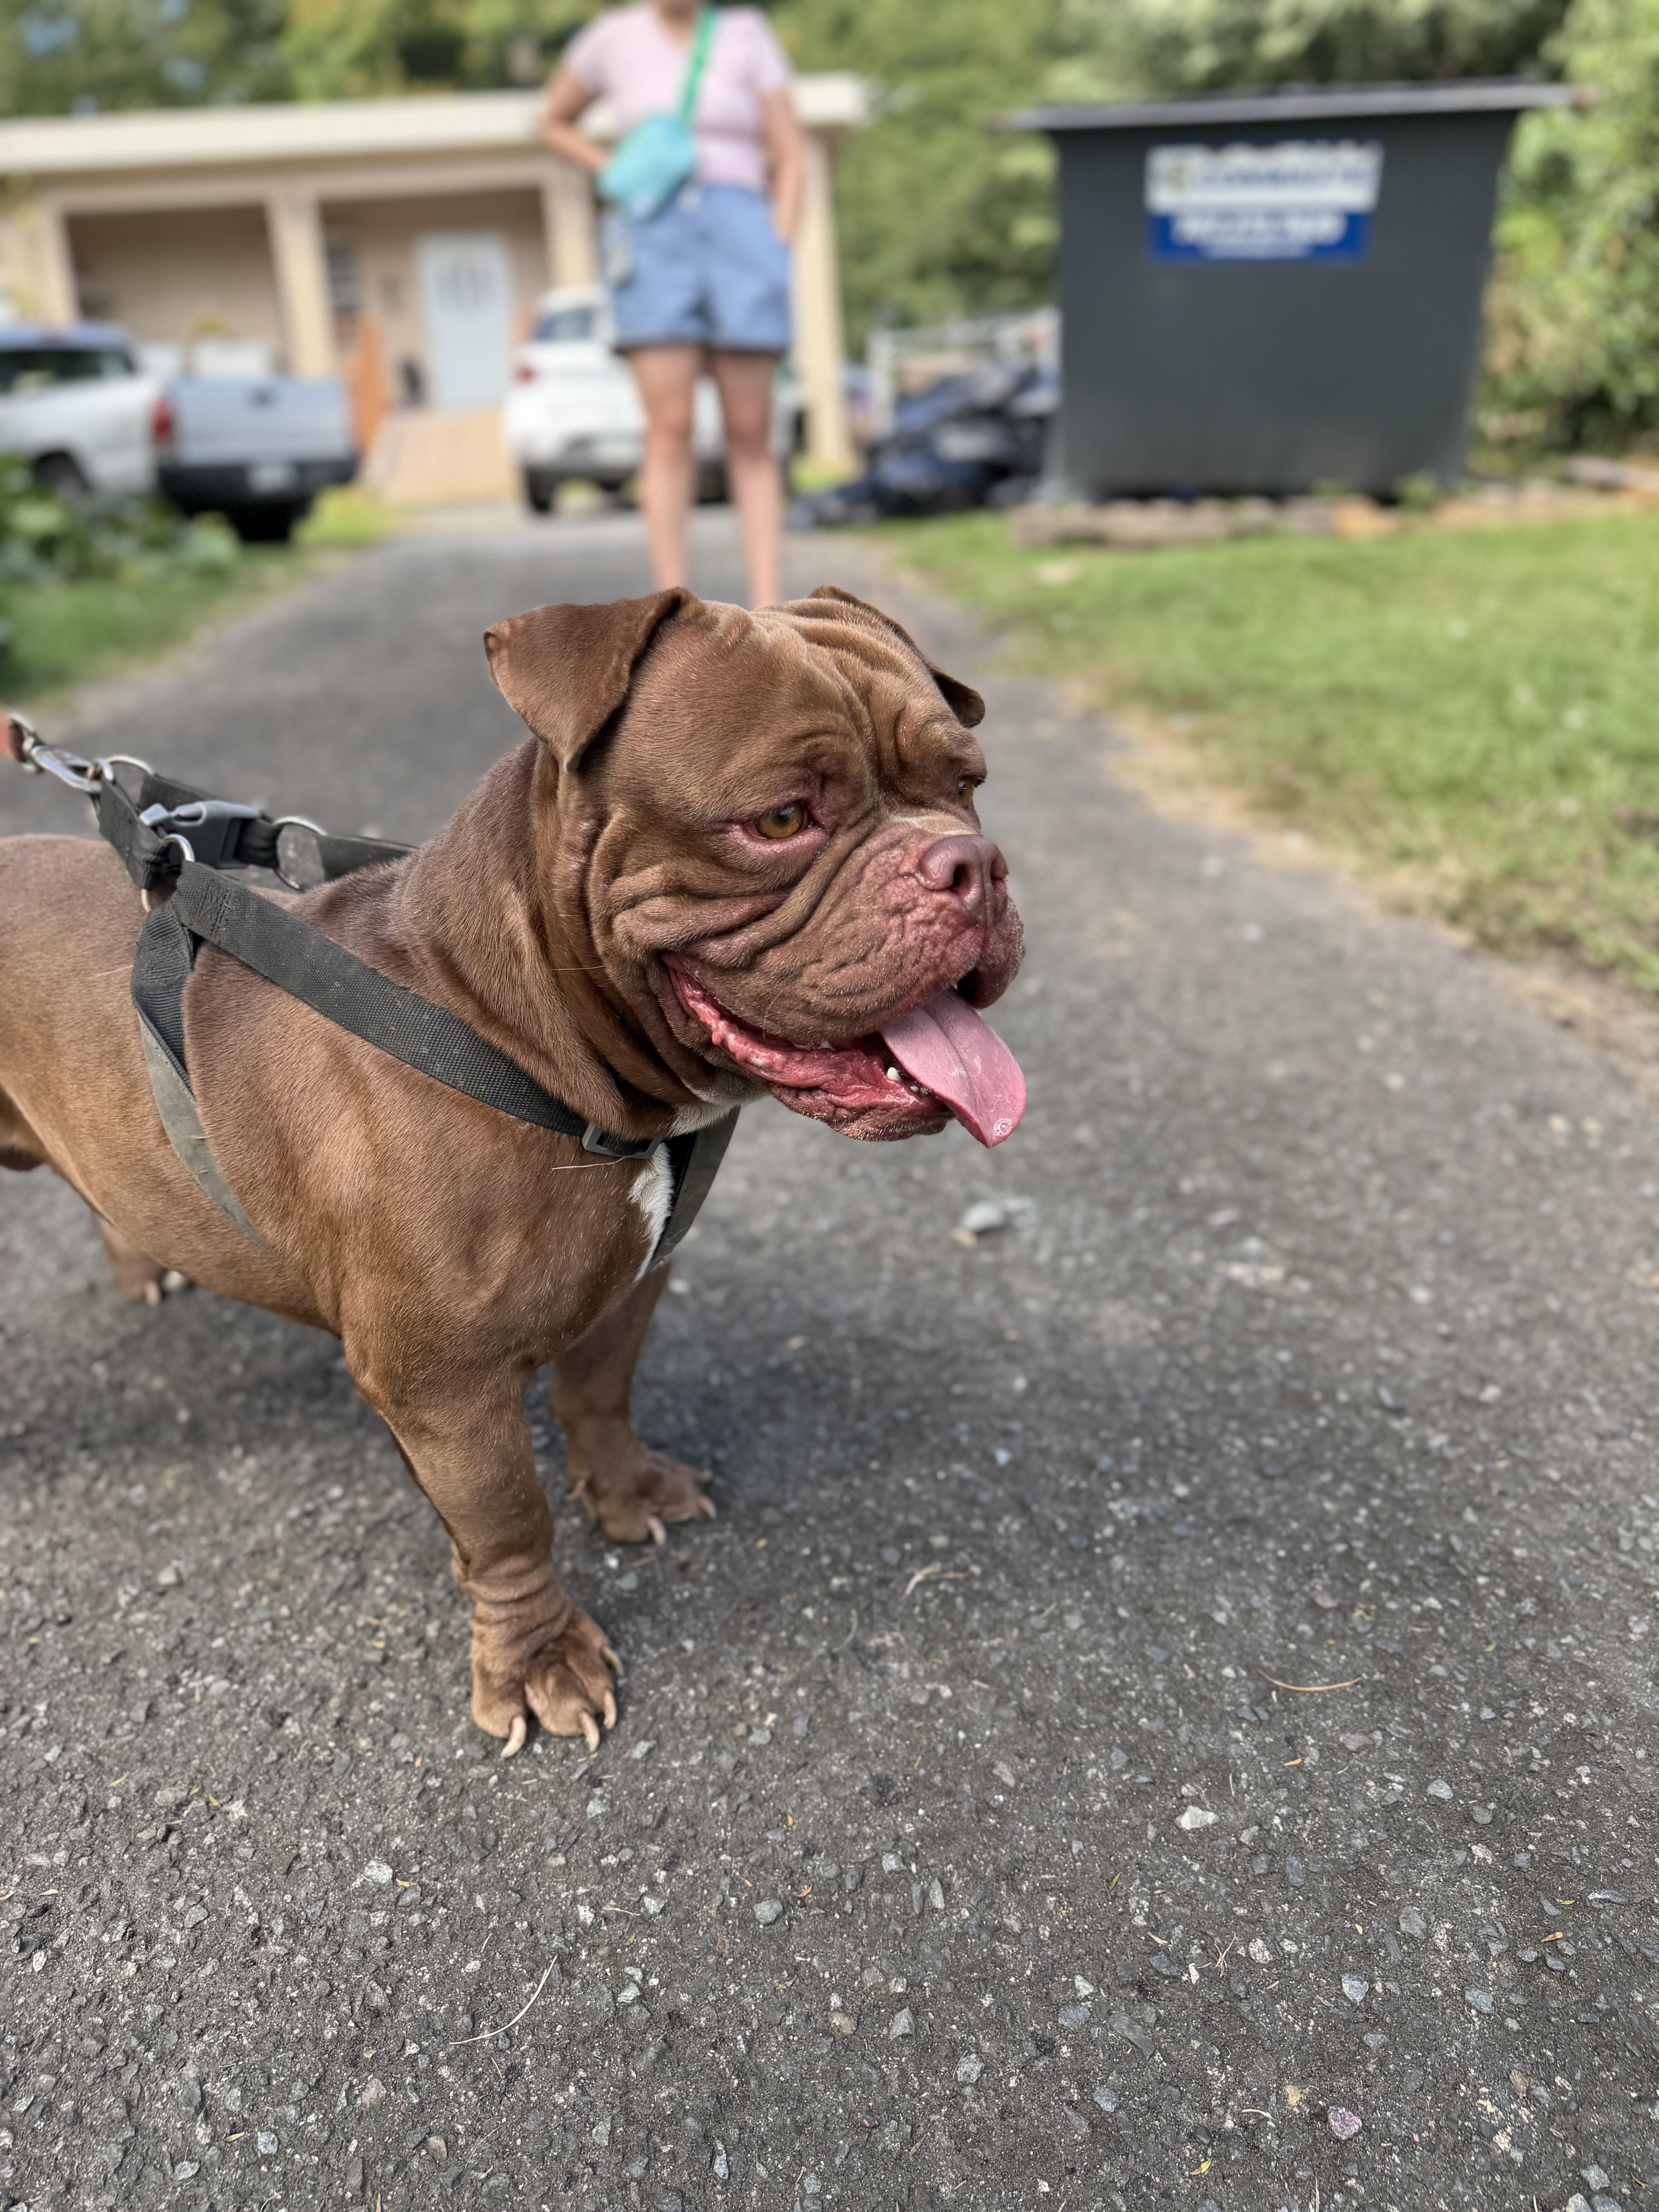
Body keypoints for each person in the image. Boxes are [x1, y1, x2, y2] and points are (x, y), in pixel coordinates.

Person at [541, 1, 803, 609]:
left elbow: (789, 154)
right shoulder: (612, 36)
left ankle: (770, 611)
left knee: (751, 433)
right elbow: (552, 120)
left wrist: (778, 242)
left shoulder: (746, 33)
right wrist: (615, 169)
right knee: (669, 430)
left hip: (741, 234)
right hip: (653, 236)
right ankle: (673, 612)